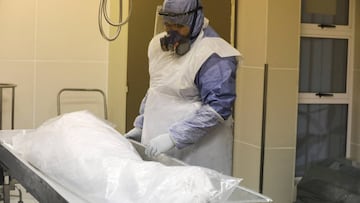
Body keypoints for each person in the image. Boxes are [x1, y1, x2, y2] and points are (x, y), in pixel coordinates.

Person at [125, 0, 242, 175]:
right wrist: (142, 124)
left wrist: (174, 137)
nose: (172, 32)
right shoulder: (158, 46)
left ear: (196, 18)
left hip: (200, 151)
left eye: (179, 26)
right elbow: (157, 89)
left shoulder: (214, 54)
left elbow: (217, 108)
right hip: (159, 144)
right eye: (168, 25)